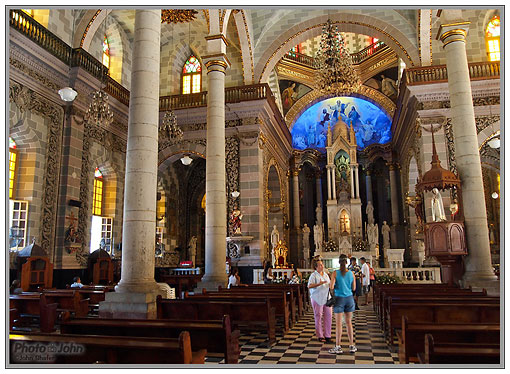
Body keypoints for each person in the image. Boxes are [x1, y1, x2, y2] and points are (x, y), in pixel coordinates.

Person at [328, 257, 357, 354]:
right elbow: (354, 288)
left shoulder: (335, 273)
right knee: (349, 323)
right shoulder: (351, 273)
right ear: (346, 262)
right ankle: (352, 345)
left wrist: (336, 286)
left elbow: (331, 287)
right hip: (349, 299)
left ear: (339, 262)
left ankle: (338, 346)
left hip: (339, 299)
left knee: (339, 324)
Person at [307, 258, 332, 343]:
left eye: (322, 264)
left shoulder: (325, 274)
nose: (322, 266)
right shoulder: (313, 275)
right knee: (318, 316)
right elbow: (309, 286)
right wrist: (319, 284)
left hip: (326, 297)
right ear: (316, 267)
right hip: (317, 298)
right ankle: (320, 335)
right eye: (320, 265)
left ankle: (328, 335)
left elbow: (329, 284)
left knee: (328, 316)